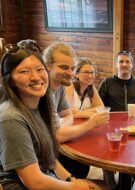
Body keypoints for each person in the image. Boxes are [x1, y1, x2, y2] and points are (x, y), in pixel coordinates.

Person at [0, 43, 121, 190]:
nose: (35, 77)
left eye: (38, 69)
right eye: (24, 71)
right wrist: (74, 189)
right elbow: (33, 180)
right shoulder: (10, 118)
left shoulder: (36, 107)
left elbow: (49, 158)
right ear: (10, 79)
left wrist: (70, 181)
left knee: (101, 189)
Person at [43, 42, 109, 178]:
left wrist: (59, 128)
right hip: (42, 160)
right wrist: (91, 123)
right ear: (46, 66)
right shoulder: (42, 93)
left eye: (72, 68)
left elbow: (67, 115)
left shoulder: (60, 86)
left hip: (51, 151)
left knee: (82, 165)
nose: (70, 73)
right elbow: (57, 136)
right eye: (63, 67)